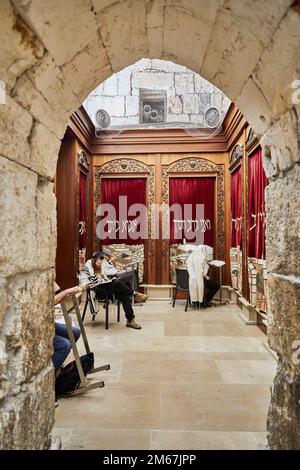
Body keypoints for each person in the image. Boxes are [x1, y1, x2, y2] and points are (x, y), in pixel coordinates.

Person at [79, 252, 142, 329]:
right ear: (93, 261)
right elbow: (84, 283)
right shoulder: (87, 268)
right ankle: (133, 293)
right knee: (116, 282)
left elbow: (109, 273)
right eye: (98, 263)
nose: (99, 265)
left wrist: (115, 271)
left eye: (101, 263)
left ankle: (130, 320)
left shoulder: (102, 265)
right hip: (98, 292)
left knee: (124, 294)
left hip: (107, 289)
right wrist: (90, 283)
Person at [53, 282, 82, 373]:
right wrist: (67, 291)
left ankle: (58, 362)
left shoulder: (47, 276)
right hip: (40, 326)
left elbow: (59, 293)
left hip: (50, 323)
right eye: (51, 267)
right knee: (65, 345)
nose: (53, 270)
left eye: (53, 267)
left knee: (75, 332)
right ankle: (50, 377)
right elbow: (48, 302)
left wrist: (71, 291)